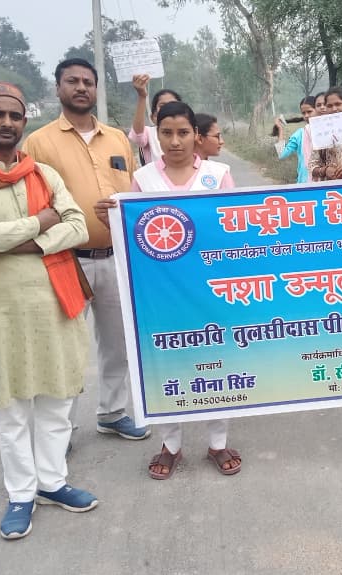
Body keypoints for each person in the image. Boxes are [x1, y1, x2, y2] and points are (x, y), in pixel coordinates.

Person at [0, 82, 98, 540]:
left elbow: (78, 225)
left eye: (15, 115)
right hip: (5, 312)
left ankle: (52, 482)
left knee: (57, 401)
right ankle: (20, 494)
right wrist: (39, 223)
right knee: (13, 411)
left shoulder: (44, 174)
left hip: (57, 303)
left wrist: (24, 241)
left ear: (24, 121)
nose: (7, 123)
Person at [94, 102, 241, 480]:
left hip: (210, 289)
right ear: (156, 135)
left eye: (183, 133)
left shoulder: (218, 175)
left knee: (216, 363)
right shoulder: (143, 180)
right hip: (160, 292)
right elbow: (134, 235)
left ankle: (218, 442)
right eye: (166, 133)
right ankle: (170, 445)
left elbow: (232, 229)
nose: (175, 141)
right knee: (166, 366)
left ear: (196, 135)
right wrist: (111, 221)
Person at [22, 58, 151, 442]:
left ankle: (112, 412)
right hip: (66, 259)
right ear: (58, 88)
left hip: (116, 257)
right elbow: (31, 203)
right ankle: (60, 430)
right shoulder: (39, 142)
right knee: (65, 348)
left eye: (88, 82)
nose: (81, 87)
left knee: (117, 343)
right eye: (72, 81)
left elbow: (134, 190)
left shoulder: (116, 139)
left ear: (96, 89)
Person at [128, 73, 181, 165]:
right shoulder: (150, 133)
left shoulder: (189, 132)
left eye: (172, 104)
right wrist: (142, 96)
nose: (168, 108)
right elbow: (137, 136)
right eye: (162, 105)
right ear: (154, 116)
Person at [273, 96, 317, 183]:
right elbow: (282, 154)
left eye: (309, 112)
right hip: (305, 181)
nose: (306, 116)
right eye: (303, 113)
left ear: (318, 110)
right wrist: (280, 129)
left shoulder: (328, 131)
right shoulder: (299, 134)